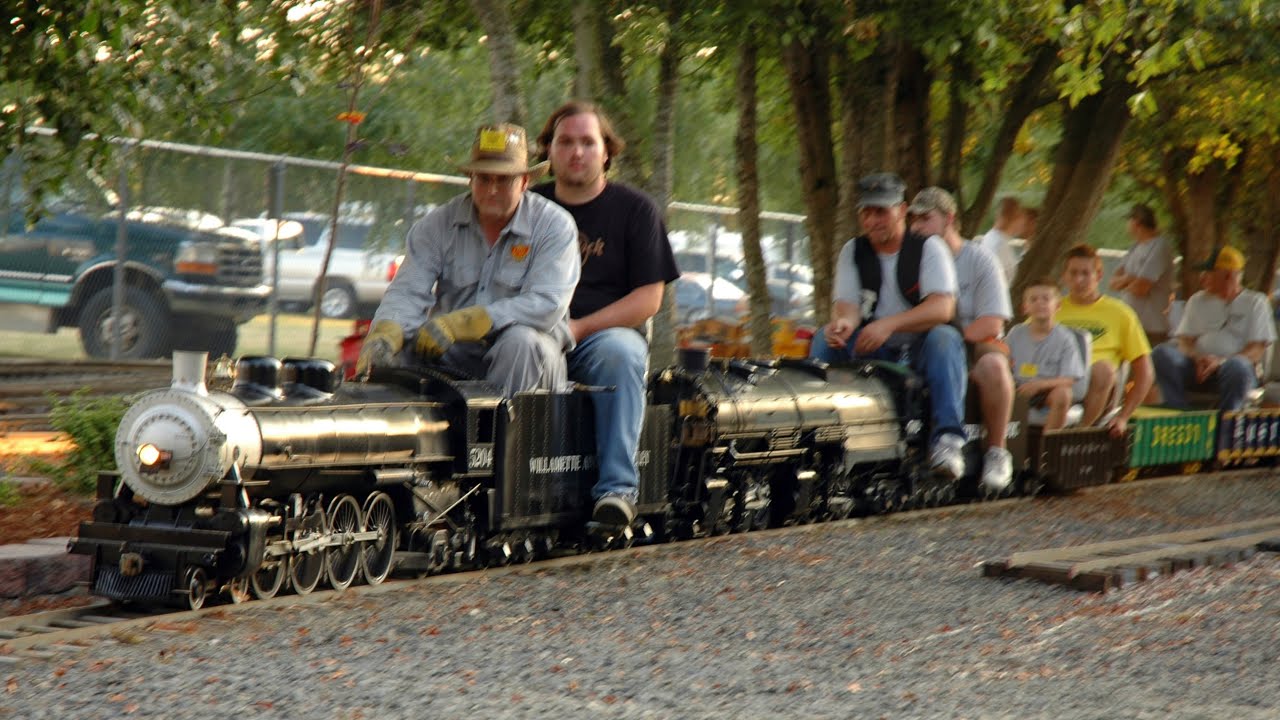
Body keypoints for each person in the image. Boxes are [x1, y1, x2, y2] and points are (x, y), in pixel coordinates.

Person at [530, 101, 680, 528]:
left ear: (607, 152)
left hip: (603, 336)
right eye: (566, 142)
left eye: (587, 142)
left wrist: (577, 327)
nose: (577, 151)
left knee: (621, 354)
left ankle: (617, 491)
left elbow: (648, 300)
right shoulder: (529, 206)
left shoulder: (636, 210)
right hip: (536, 330)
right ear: (549, 150)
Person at [356, 123, 580, 397]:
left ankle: (501, 439)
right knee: (394, 351)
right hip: (453, 354)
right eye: (484, 179)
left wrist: (466, 322)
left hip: (532, 360)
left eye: (504, 179)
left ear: (524, 182)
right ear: (471, 179)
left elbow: (547, 304)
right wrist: (386, 332)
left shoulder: (554, 226)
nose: (492, 189)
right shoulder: (436, 225)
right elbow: (407, 292)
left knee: (520, 342)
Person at [810, 172, 968, 480]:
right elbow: (848, 308)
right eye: (866, 212)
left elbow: (942, 308)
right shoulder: (853, 251)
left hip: (921, 347)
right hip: (876, 345)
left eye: (880, 211)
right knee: (822, 340)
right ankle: (814, 432)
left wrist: (888, 325)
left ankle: (948, 442)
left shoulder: (929, 248)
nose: (872, 220)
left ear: (902, 210)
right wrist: (842, 325)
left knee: (945, 338)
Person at [907, 187, 1014, 491]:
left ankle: (997, 452)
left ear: (949, 219)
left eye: (925, 219)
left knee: (993, 365)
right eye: (913, 220)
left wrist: (953, 343)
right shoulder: (911, 260)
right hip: (928, 344)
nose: (916, 227)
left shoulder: (980, 260)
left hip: (974, 343)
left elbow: (992, 322)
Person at [1152, 246, 1275, 411]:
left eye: (1208, 273)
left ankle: (1227, 423)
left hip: (1234, 371)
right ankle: (1179, 414)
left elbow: (1256, 351)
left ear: (1228, 276)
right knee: (1161, 353)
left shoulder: (1255, 303)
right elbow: (1185, 342)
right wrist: (1199, 358)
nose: (1202, 278)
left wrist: (1220, 362)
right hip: (1198, 368)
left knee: (1237, 366)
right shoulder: (1197, 300)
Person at [1054, 243, 1154, 436]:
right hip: (1053, 380)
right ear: (1064, 276)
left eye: (1086, 273)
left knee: (1104, 369)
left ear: (1099, 276)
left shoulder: (1121, 313)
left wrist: (1124, 416)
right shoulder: (1050, 309)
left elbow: (1145, 372)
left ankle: (1079, 433)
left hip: (1098, 388)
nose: (1079, 280)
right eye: (1073, 273)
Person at [1005, 278, 1087, 430]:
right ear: (1025, 307)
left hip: (1047, 392)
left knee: (1064, 394)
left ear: (1057, 306)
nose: (1040, 303)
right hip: (1017, 388)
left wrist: (1039, 385)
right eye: (1033, 299)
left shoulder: (1066, 338)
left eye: (1046, 299)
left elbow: (1069, 379)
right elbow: (1004, 362)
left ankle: (1047, 448)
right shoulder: (1015, 333)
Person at [1109, 204, 1173, 346]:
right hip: (1131, 324)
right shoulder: (1135, 247)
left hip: (1152, 329)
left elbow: (1141, 288)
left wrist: (1127, 282)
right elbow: (1112, 282)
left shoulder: (1160, 246)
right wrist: (1129, 279)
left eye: (1129, 220)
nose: (1127, 225)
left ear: (1136, 222)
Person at [977, 196, 1027, 284]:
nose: (1023, 222)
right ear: (1016, 217)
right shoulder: (999, 245)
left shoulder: (991, 238)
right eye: (1021, 216)